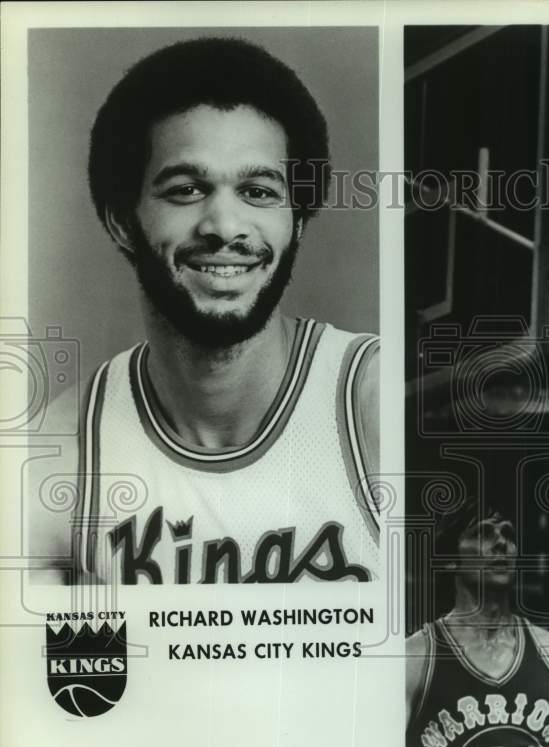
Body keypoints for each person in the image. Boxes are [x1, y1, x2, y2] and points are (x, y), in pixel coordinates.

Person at [30, 38, 379, 585]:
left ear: (299, 222)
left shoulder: (370, 402)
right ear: (122, 220)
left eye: (259, 191)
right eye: (187, 189)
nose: (224, 225)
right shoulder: (59, 452)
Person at [405, 503, 549, 747]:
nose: (501, 543)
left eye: (508, 535)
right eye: (483, 533)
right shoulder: (414, 657)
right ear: (449, 559)